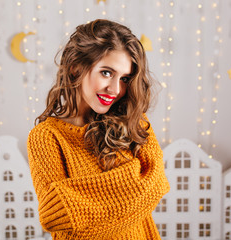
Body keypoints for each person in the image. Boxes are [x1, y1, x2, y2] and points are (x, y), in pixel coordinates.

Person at [27, 19, 170, 239]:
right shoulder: (46, 137)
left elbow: (156, 183)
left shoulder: (134, 121)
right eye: (106, 73)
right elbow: (55, 214)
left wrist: (83, 204)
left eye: (124, 78)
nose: (115, 89)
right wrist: (132, 178)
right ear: (76, 67)